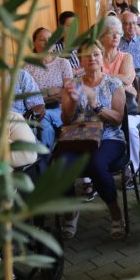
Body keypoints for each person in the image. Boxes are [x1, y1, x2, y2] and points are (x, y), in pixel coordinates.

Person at [59, 40, 128, 240]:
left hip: (109, 137)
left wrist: (95, 104)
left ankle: (116, 214)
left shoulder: (114, 83)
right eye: (87, 55)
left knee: (97, 163)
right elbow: (65, 119)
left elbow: (118, 119)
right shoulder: (73, 85)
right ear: (80, 59)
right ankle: (70, 213)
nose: (92, 59)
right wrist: (71, 102)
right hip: (79, 137)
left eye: (96, 54)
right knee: (61, 165)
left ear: (102, 57)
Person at [97, 18, 140, 175]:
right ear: (101, 37)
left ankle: (133, 169)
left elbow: (128, 78)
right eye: (111, 33)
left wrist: (102, 76)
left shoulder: (126, 57)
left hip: (128, 109)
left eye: (118, 33)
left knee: (130, 129)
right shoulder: (96, 57)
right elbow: (93, 80)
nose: (116, 36)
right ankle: (92, 175)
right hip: (101, 110)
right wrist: (117, 80)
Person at [23, 27, 73, 149]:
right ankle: (50, 161)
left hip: (61, 109)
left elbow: (67, 93)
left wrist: (41, 95)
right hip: (38, 111)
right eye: (42, 39)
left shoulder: (63, 63)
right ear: (34, 43)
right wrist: (52, 91)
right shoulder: (28, 67)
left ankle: (46, 163)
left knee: (45, 122)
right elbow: (29, 97)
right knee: (47, 128)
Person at [51, 11, 82, 75]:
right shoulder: (54, 48)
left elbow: (92, 65)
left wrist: (76, 72)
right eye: (68, 25)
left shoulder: (84, 44)